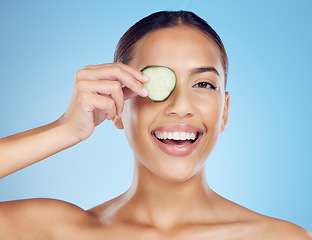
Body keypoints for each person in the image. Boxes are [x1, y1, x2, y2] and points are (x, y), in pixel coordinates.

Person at [0, 11, 311, 239]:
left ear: (225, 111)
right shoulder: (57, 232)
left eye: (203, 84)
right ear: (118, 105)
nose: (181, 107)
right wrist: (65, 129)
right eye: (156, 82)